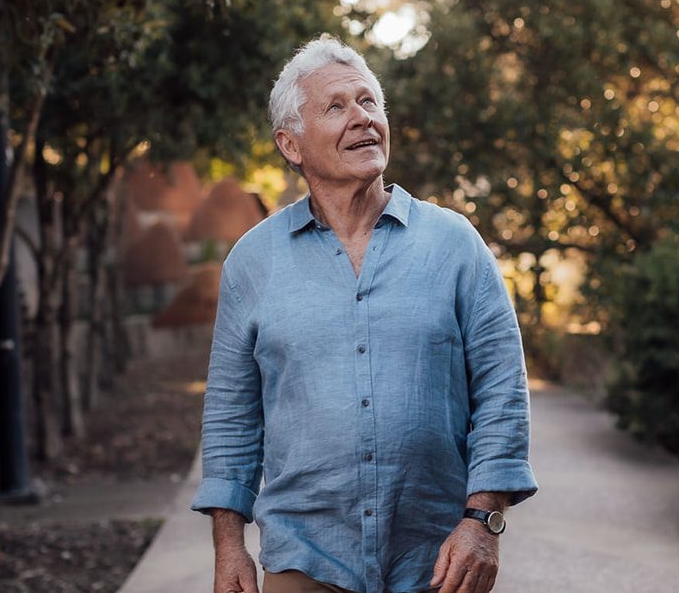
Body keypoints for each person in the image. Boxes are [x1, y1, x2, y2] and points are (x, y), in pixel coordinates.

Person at [191, 36, 537, 593]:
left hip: (438, 560)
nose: (362, 118)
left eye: (369, 101)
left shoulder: (454, 244)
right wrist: (228, 546)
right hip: (304, 558)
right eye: (336, 107)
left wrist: (483, 521)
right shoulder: (252, 262)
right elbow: (232, 415)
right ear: (291, 144)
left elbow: (502, 391)